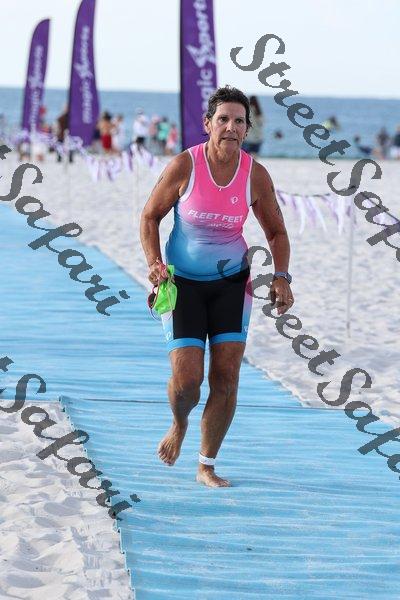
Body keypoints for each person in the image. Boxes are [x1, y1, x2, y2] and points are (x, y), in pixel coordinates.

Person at [140, 85, 293, 488]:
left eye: (239, 121)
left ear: (247, 129)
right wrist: (154, 263)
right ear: (208, 124)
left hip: (232, 285)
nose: (231, 127)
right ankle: (179, 423)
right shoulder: (184, 166)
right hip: (182, 284)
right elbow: (150, 217)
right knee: (188, 382)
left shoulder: (255, 175)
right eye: (223, 119)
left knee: (226, 378)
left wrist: (282, 277)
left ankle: (206, 464)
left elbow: (276, 232)